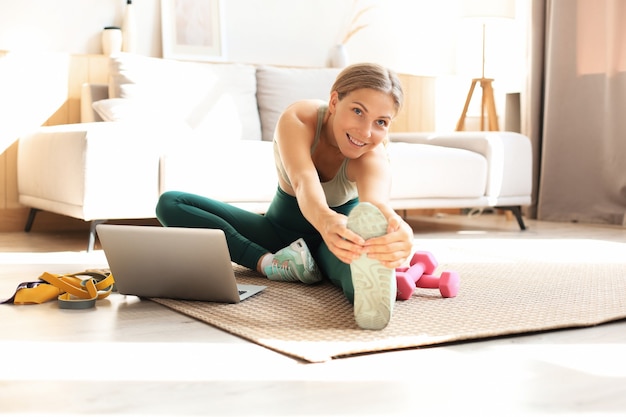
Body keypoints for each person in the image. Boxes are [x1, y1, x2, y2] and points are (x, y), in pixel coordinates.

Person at [156, 63, 414, 330]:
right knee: (171, 203)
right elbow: (303, 182)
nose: (366, 132)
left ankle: (369, 284)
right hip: (278, 234)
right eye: (358, 111)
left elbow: (377, 207)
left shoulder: (373, 153)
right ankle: (272, 264)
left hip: (337, 244)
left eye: (381, 122)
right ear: (335, 101)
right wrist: (325, 220)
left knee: (363, 285)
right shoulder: (299, 119)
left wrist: (400, 232)